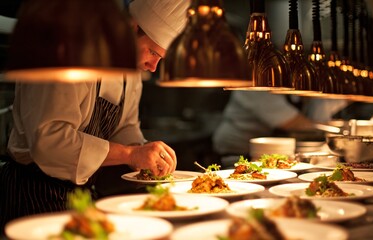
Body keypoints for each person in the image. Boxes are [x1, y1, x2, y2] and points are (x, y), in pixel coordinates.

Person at [0, 0, 190, 231]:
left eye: (160, 58)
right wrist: (130, 154)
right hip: (32, 194)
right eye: (152, 52)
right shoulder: (71, 51)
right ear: (131, 27)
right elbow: (49, 141)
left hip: (83, 196)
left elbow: (125, 127)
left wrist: (146, 155)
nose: (153, 66)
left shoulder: (130, 71)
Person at [212, 90, 348, 166]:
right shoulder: (255, 88)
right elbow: (293, 122)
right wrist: (335, 129)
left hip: (261, 153)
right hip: (234, 152)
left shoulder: (282, 86)